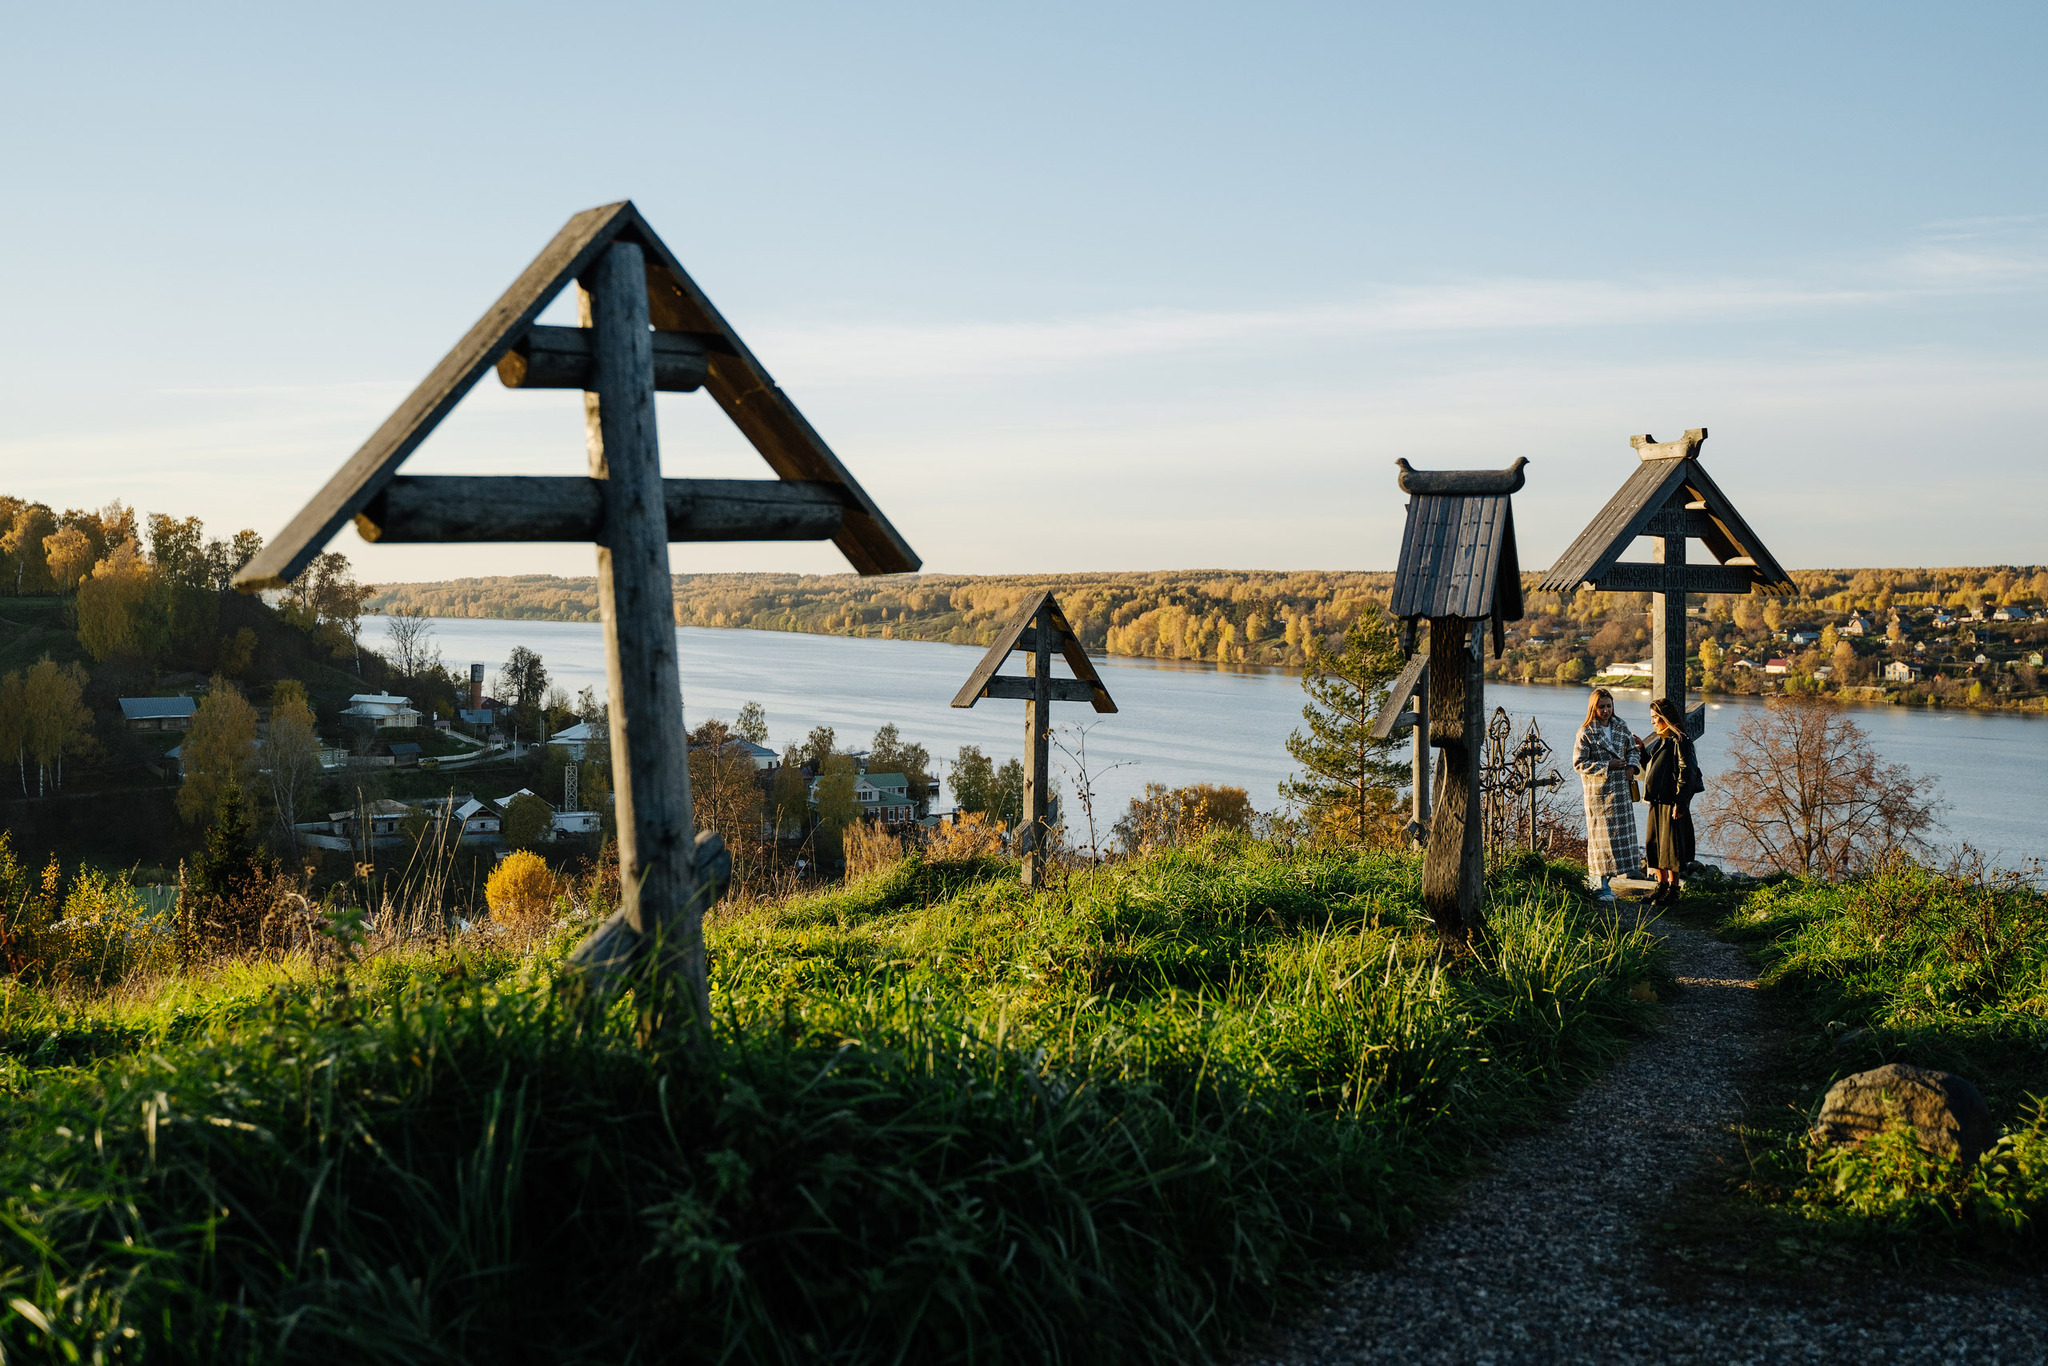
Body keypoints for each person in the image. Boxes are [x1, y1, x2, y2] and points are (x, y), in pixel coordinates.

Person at [1573, 687, 1642, 900]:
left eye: (1609, 706)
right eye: (1601, 706)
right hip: (1599, 796)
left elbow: (1633, 750)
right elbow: (1579, 763)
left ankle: (1609, 883)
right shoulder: (1585, 732)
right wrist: (1607, 765)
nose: (1606, 710)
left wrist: (1631, 766)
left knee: (1621, 839)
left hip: (1620, 792)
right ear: (1593, 708)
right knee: (1602, 842)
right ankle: (1600, 885)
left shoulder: (1621, 727)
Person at [1639, 696, 1703, 905]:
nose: (1652, 721)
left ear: (1665, 717)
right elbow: (1654, 767)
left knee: (1671, 849)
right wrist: (1641, 750)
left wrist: (1681, 802)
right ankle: (1661, 885)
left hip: (1671, 802)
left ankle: (1674, 889)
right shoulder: (1663, 740)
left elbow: (1688, 772)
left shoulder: (1680, 740)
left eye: (1655, 717)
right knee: (1655, 845)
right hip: (1657, 801)